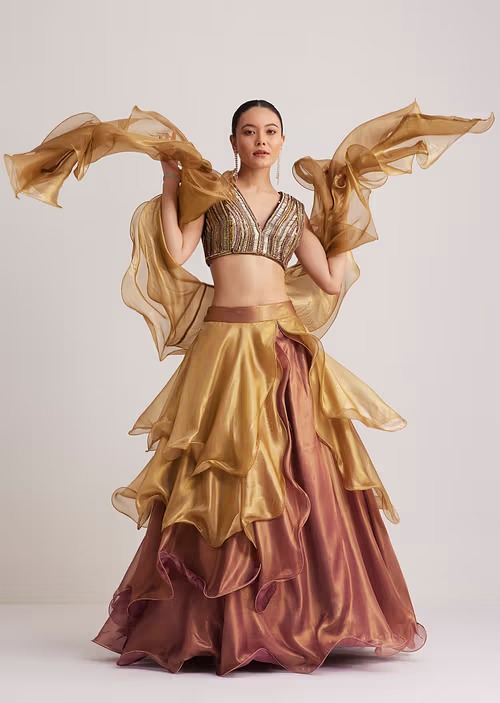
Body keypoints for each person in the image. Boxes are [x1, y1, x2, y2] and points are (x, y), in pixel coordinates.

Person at [3, 99, 494, 676]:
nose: (260, 139)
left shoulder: (293, 211)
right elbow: (178, 252)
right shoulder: (212, 194)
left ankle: (303, 612)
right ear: (233, 140)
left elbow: (329, 279)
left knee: (295, 470)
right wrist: (170, 183)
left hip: (280, 346)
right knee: (222, 473)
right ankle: (214, 620)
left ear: (282, 142)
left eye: (270, 131)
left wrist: (344, 213)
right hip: (223, 348)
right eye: (249, 131)